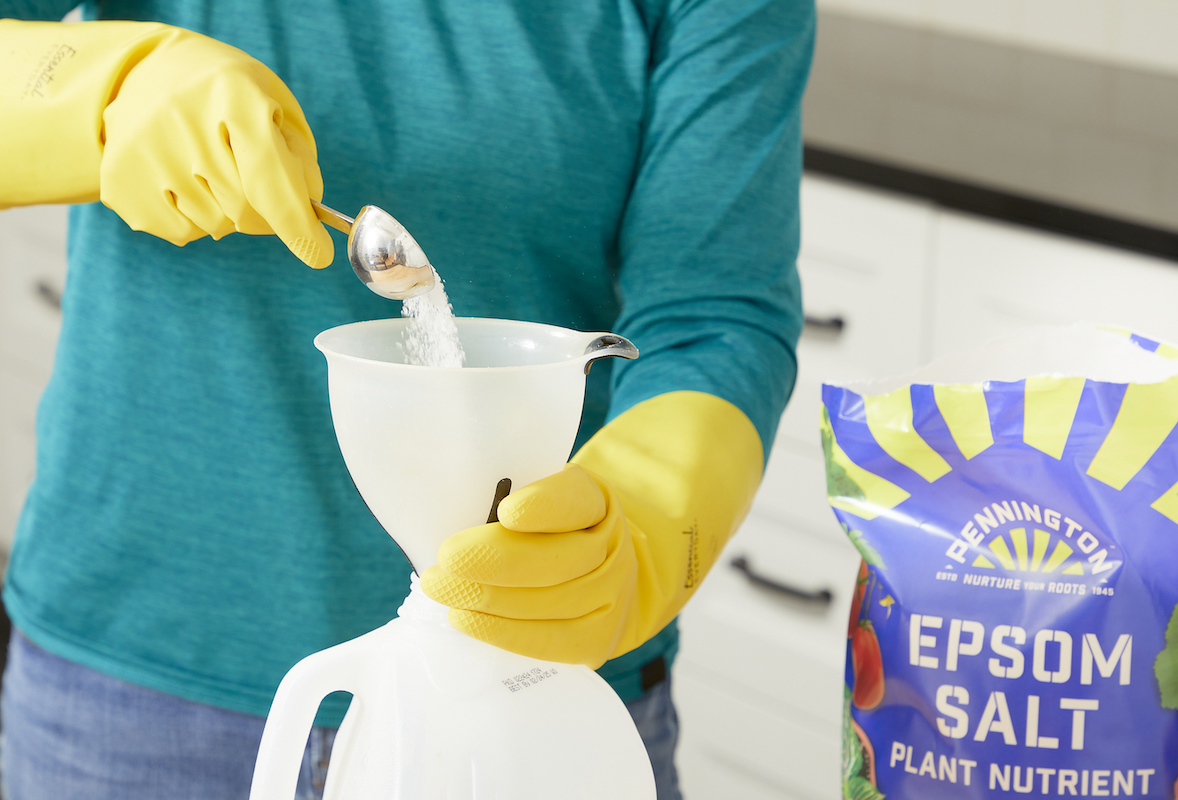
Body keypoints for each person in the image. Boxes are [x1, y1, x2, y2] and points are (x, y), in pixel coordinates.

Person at [0, 1, 814, 798]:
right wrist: (95, 92)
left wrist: (644, 520)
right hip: (126, 682)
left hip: (531, 692)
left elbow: (715, 317)